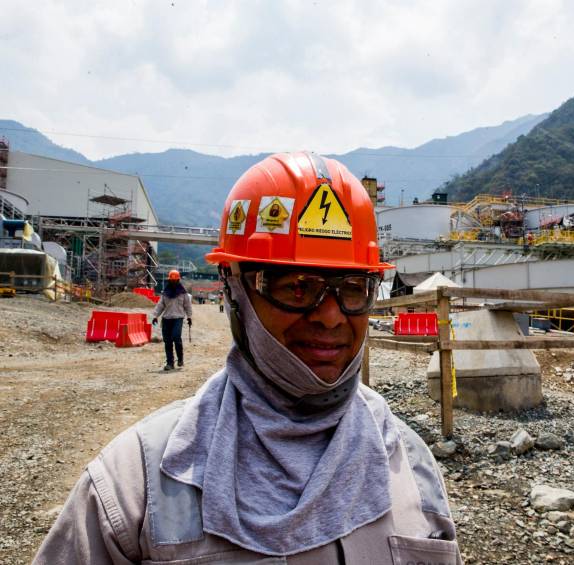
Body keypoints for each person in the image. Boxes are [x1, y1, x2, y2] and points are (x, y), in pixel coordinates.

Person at [34, 151, 462, 564]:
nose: (331, 316)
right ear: (234, 290)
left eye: (353, 288)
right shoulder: (134, 485)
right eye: (297, 286)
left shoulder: (411, 463)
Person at [151, 269, 193, 371]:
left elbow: (188, 306)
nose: (173, 282)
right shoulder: (165, 293)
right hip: (166, 319)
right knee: (168, 341)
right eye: (172, 280)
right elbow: (160, 305)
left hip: (178, 318)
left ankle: (180, 359)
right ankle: (170, 363)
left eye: (175, 280)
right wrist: (155, 316)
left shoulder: (183, 293)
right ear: (169, 280)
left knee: (176, 337)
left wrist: (189, 317)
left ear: (178, 280)